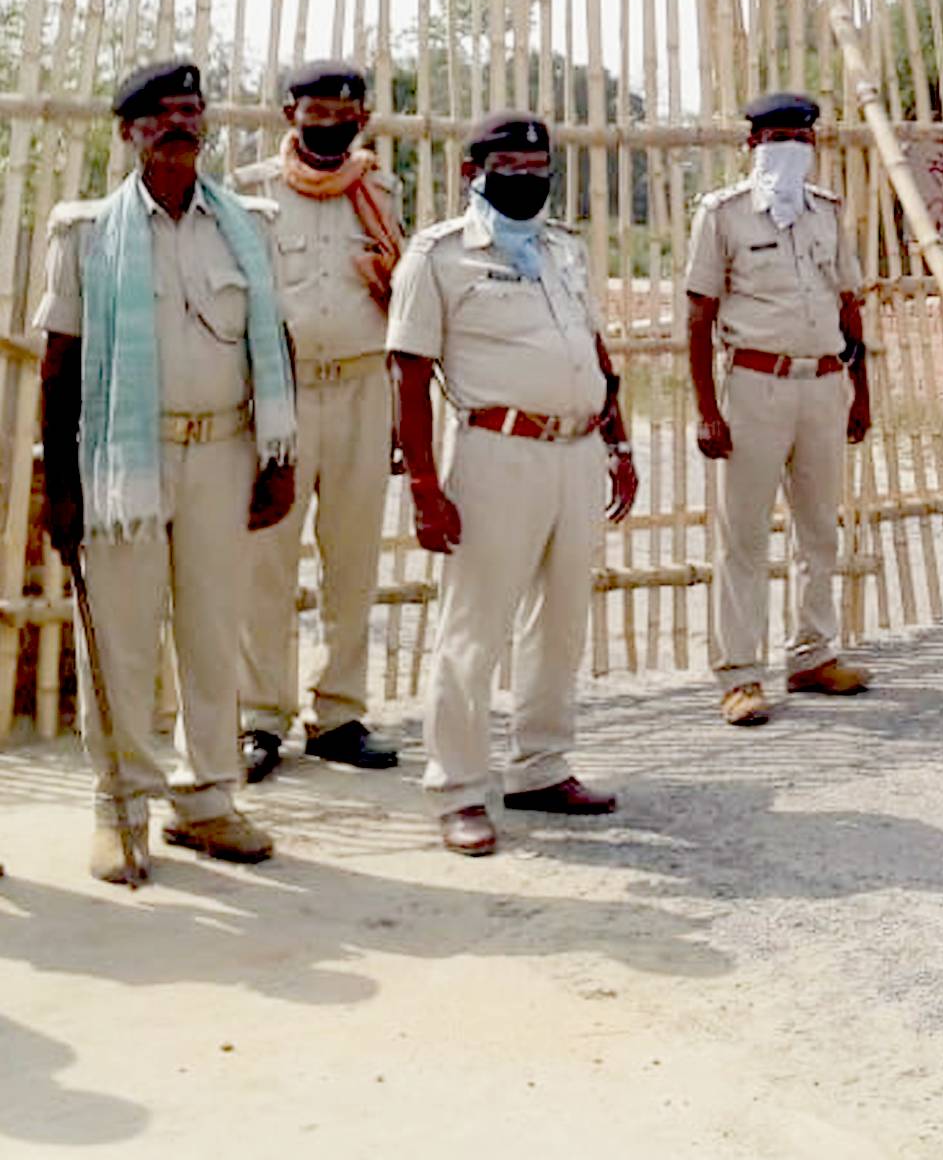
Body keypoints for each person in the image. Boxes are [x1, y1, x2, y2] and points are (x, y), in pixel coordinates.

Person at [37, 59, 297, 883]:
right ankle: (120, 809)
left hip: (223, 452)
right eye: (160, 116)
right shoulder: (86, 232)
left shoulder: (247, 226)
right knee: (119, 637)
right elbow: (59, 363)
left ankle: (209, 802)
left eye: (191, 112)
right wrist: (64, 482)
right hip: (125, 462)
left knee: (215, 632)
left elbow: (275, 344)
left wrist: (275, 456)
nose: (179, 126)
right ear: (129, 133)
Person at [387, 112, 638, 857]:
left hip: (576, 449)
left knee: (561, 617)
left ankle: (540, 766)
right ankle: (459, 787)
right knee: (475, 625)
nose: (526, 177)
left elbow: (592, 346)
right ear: (475, 171)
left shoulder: (563, 249)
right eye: (509, 165)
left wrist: (618, 439)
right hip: (498, 450)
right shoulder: (438, 256)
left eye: (537, 166)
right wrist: (424, 482)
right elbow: (407, 370)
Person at [232, 60, 406, 780]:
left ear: (362, 117)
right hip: (283, 393)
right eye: (316, 110)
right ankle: (258, 717)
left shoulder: (380, 191)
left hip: (365, 386)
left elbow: (402, 293)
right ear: (287, 114)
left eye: (344, 112)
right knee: (264, 561)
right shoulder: (250, 195)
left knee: (354, 558)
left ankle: (338, 713)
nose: (330, 122)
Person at [686, 92, 875, 728]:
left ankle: (813, 654)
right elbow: (699, 314)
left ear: (814, 145)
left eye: (798, 138)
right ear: (751, 146)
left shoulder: (827, 212)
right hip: (754, 385)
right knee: (742, 535)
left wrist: (861, 391)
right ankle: (740, 675)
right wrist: (707, 409)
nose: (788, 149)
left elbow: (849, 306)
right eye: (775, 138)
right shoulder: (723, 214)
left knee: (819, 526)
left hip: (823, 382)